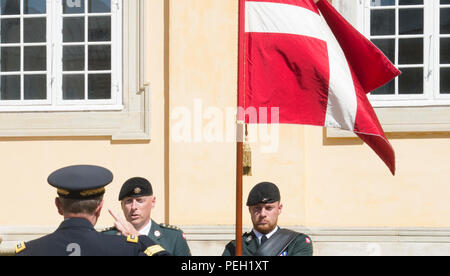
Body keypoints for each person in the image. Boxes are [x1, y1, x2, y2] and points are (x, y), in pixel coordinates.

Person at [15, 165, 170, 256]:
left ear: (58, 206)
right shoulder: (126, 248)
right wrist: (141, 239)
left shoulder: (28, 251)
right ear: (99, 207)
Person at [102, 177, 191, 256]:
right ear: (122, 205)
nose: (134, 207)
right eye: (129, 201)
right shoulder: (107, 237)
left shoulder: (173, 237)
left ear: (153, 202)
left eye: (139, 200)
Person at [222, 182, 313, 256]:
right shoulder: (235, 247)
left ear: (279, 209)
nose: (262, 214)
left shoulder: (297, 242)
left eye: (268, 208)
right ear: (250, 210)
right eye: (257, 208)